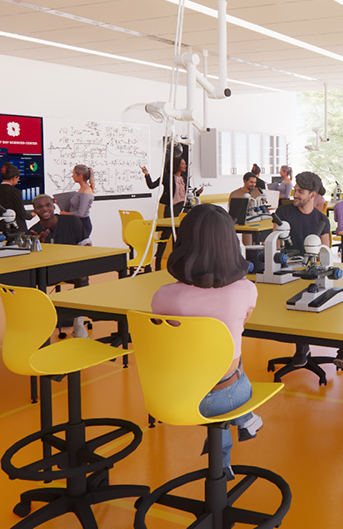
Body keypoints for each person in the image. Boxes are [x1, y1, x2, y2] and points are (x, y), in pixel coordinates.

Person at [150, 204, 263, 479]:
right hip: (225, 396)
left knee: (206, 356)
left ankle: (224, 454)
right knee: (230, 358)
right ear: (231, 245)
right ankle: (242, 419)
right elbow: (239, 327)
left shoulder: (163, 296)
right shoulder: (246, 291)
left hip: (173, 394)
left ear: (183, 244)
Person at [272, 171, 332, 368]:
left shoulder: (322, 220)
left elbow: (326, 253)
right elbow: (276, 247)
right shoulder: (283, 214)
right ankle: (301, 346)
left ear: (312, 195)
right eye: (295, 190)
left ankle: (303, 345)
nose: (295, 194)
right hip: (287, 272)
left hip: (311, 274)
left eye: (301, 191)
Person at [0, 161, 28, 233]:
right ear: (14, 178)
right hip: (17, 232)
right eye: (18, 178)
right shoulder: (16, 192)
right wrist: (33, 214)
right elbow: (23, 214)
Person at [63, 164, 95, 239]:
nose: (72, 176)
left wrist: (65, 214)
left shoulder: (86, 192)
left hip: (82, 224)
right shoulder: (82, 189)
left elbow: (80, 213)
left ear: (80, 176)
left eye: (74, 174)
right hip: (76, 223)